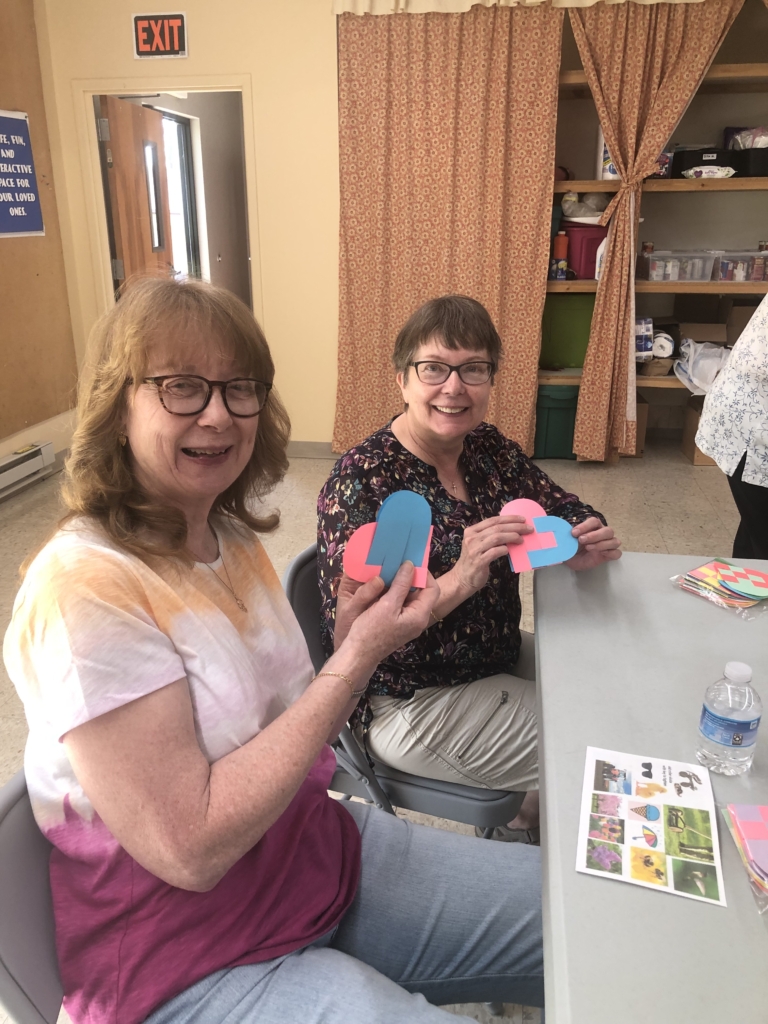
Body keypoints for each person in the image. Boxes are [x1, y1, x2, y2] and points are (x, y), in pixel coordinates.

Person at [3, 278, 544, 1024]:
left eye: (240, 388)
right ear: (117, 404)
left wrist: (352, 648)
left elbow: (292, 729)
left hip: (306, 853)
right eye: (182, 388)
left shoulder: (223, 536)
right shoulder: (84, 589)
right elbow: (188, 848)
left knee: (578, 912)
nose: (220, 414)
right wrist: (356, 662)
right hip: (186, 956)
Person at [318, 295, 621, 843]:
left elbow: (556, 501)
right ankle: (534, 846)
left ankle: (523, 818)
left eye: (474, 369)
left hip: (489, 659)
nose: (454, 387)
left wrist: (583, 532)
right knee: (602, 739)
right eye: (434, 368)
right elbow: (354, 636)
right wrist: (461, 577)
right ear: (402, 379)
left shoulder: (485, 448)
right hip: (411, 698)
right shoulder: (367, 482)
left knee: (611, 683)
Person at [696, 294, 768, 559]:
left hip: (750, 416)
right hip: (754, 424)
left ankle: (742, 592)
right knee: (761, 537)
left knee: (755, 533)